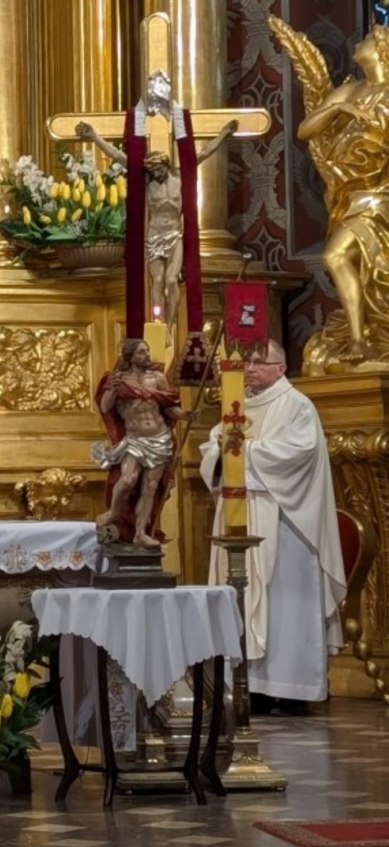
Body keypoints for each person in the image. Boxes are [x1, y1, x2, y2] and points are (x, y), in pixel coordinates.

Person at [198, 340, 346, 715]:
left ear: (281, 368)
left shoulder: (297, 405)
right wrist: (221, 450)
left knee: (286, 604)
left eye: (260, 362)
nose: (250, 369)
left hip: (285, 520)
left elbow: (300, 453)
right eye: (247, 362)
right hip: (239, 511)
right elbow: (212, 448)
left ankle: (294, 690)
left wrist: (242, 450)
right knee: (243, 596)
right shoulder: (238, 405)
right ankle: (254, 689)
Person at [76, 118, 237, 331]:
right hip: (154, 236)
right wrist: (94, 137)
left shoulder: (179, 177)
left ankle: (170, 326)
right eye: (153, 170)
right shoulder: (146, 183)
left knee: (171, 280)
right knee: (158, 281)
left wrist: (224, 133)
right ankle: (159, 325)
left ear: (166, 165)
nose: (157, 173)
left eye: (159, 169)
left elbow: (204, 153)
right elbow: (118, 156)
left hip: (174, 235)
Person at [292, 25, 389, 361]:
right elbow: (305, 130)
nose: (359, 42)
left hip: (381, 193)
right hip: (348, 194)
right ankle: (364, 336)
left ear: (381, 50)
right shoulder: (350, 90)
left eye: (368, 39)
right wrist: (336, 109)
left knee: (335, 256)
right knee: (359, 266)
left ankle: (361, 340)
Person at [90, 339, 182, 548]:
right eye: (141, 352)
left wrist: (185, 415)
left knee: (151, 486)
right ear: (130, 356)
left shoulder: (157, 378)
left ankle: (140, 533)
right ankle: (113, 512)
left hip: (159, 437)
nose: (146, 355)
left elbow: (169, 408)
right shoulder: (119, 379)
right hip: (135, 439)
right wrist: (113, 390)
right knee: (128, 480)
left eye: (147, 351)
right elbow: (105, 407)